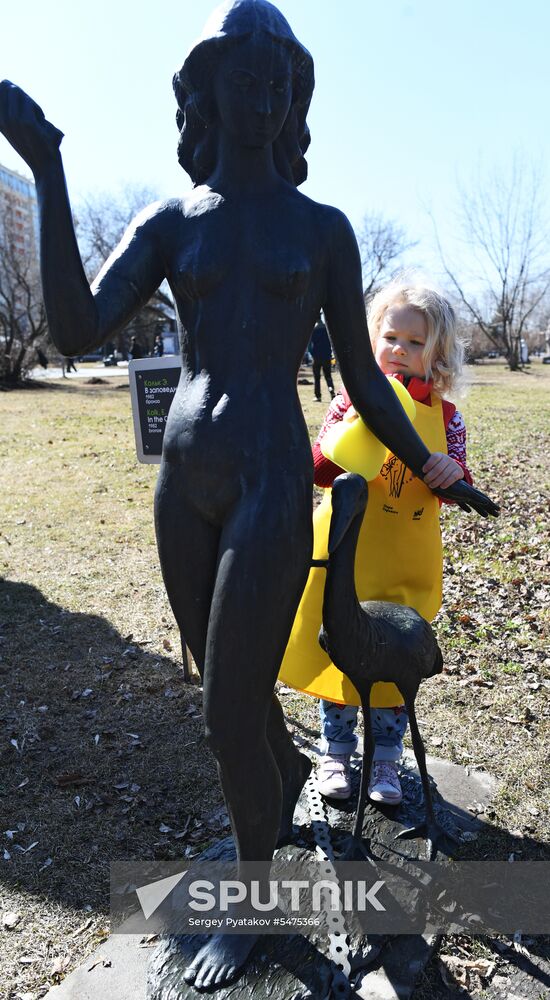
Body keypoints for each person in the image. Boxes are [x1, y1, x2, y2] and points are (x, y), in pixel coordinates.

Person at [0, 3, 496, 989]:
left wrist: (439, 464)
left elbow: (362, 378)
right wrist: (48, 166)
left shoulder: (320, 228)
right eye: (248, 81)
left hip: (273, 481)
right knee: (236, 705)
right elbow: (74, 326)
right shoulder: (171, 222)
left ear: (295, 97)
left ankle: (262, 898)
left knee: (227, 717)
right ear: (209, 92)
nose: (266, 99)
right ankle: (262, 831)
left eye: (284, 84)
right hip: (185, 491)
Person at [279, 281, 473, 805]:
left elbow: (460, 489)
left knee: (392, 662)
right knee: (340, 650)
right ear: (371, 341)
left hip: (405, 563)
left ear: (436, 353)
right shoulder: (348, 401)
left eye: (415, 343)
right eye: (391, 337)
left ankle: (386, 760)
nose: (400, 351)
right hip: (347, 555)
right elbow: (319, 471)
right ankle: (335, 752)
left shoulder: (446, 416)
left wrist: (449, 471)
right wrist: (355, 421)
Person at [309, 313, 336, 401]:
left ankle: (318, 396)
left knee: (317, 378)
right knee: (328, 376)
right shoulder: (327, 328)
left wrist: (312, 354)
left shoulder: (313, 329)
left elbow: (309, 345)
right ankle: (331, 392)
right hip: (326, 356)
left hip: (316, 357)